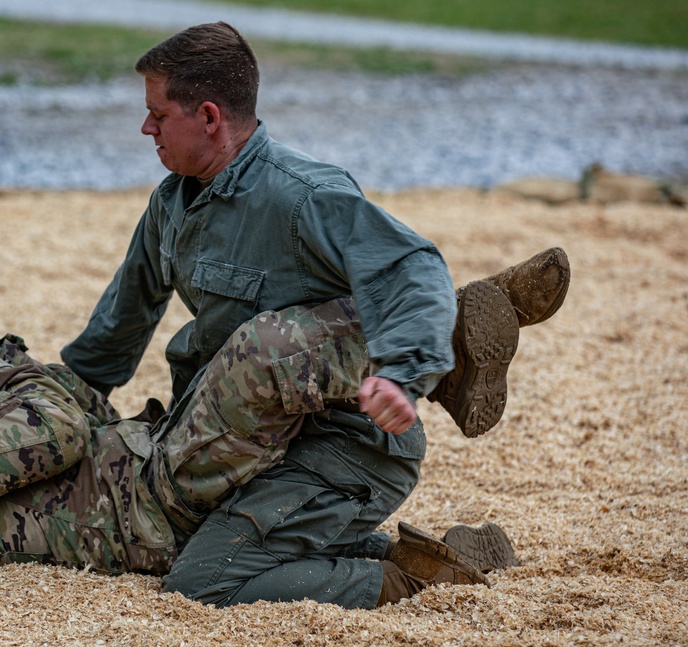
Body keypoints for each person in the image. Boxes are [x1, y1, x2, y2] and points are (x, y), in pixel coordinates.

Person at [56, 21, 568, 607]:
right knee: (194, 543)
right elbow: (116, 331)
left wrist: (406, 373)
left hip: (343, 447)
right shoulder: (171, 203)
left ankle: (419, 580)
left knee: (203, 582)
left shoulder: (302, 196)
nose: (145, 126)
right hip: (247, 441)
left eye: (157, 113)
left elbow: (415, 267)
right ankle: (446, 549)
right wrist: (54, 403)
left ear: (208, 117)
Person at [0, 299, 516, 609]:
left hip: (158, 475)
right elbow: (66, 428)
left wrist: (1, 359)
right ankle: (445, 338)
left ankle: (439, 330)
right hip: (156, 503)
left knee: (233, 325)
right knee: (257, 354)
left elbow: (87, 411)